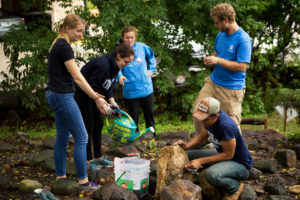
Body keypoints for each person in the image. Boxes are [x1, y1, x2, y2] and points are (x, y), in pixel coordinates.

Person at [45, 14, 112, 190]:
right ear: (67, 28)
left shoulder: (58, 43)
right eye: (79, 31)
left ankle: (61, 179)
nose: (81, 34)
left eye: (83, 31)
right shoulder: (64, 46)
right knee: (82, 137)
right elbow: (78, 78)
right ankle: (83, 182)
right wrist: (96, 97)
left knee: (63, 138)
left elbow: (75, 77)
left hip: (54, 94)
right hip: (62, 96)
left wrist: (94, 95)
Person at [173, 97, 253, 200]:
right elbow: (203, 135)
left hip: (240, 164)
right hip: (223, 156)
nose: (203, 123)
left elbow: (229, 155)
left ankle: (235, 187)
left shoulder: (225, 126)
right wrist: (187, 146)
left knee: (211, 175)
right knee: (186, 155)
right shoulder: (209, 121)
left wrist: (200, 161)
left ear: (215, 116)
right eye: (201, 119)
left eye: (205, 120)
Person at [193, 3, 252, 134]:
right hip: (214, 82)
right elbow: (217, 54)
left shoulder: (243, 39)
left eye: (217, 23)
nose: (216, 26)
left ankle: (235, 152)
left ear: (226, 20)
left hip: (231, 88)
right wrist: (211, 60)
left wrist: (218, 60)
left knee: (231, 126)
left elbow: (242, 67)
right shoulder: (220, 35)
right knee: (199, 111)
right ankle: (204, 141)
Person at [74, 43, 134, 170]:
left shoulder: (115, 66)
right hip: (83, 94)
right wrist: (101, 103)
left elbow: (107, 86)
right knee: (88, 126)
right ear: (118, 56)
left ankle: (99, 157)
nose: (127, 65)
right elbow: (92, 86)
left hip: (96, 96)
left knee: (99, 124)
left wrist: (112, 103)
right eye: (126, 61)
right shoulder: (103, 65)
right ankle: (88, 160)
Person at [117, 25, 157, 139]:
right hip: (130, 89)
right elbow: (115, 66)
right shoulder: (118, 50)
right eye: (127, 38)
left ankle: (152, 136)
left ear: (135, 37)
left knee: (149, 114)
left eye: (132, 37)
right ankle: (135, 138)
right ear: (123, 38)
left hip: (146, 87)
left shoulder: (142, 47)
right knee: (133, 116)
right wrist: (119, 76)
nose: (129, 40)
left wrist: (151, 70)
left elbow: (151, 58)